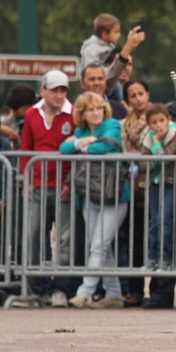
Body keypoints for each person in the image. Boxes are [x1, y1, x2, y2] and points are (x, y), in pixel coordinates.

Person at [60, 92, 129, 309]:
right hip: (89, 194)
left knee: (99, 244)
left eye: (99, 107)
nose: (96, 112)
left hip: (113, 195)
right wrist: (83, 142)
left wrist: (81, 145)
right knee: (100, 245)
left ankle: (85, 291)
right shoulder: (80, 130)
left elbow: (108, 146)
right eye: (90, 109)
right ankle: (114, 293)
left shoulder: (112, 125)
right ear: (82, 113)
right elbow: (63, 149)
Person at [21, 70, 75, 307]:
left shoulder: (73, 115)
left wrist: (70, 182)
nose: (60, 95)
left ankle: (60, 289)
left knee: (64, 239)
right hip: (37, 185)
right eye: (55, 90)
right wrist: (26, 179)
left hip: (63, 187)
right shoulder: (32, 114)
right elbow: (26, 148)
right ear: (43, 91)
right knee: (33, 235)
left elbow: (76, 153)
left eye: (63, 90)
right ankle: (36, 287)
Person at [140, 103, 176, 271]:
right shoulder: (148, 138)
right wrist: (155, 156)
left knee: (164, 220)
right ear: (149, 124)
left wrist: (157, 144)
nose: (158, 125)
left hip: (172, 183)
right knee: (153, 222)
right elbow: (143, 163)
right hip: (155, 183)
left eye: (161, 120)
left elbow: (166, 159)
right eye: (154, 122)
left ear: (169, 119)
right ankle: (152, 257)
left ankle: (165, 258)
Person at [120, 79, 153, 306]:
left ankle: (159, 290)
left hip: (152, 185)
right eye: (133, 95)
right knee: (133, 240)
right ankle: (135, 290)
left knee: (153, 237)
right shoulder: (123, 124)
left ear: (147, 94)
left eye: (141, 93)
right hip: (130, 186)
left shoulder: (158, 118)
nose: (138, 98)